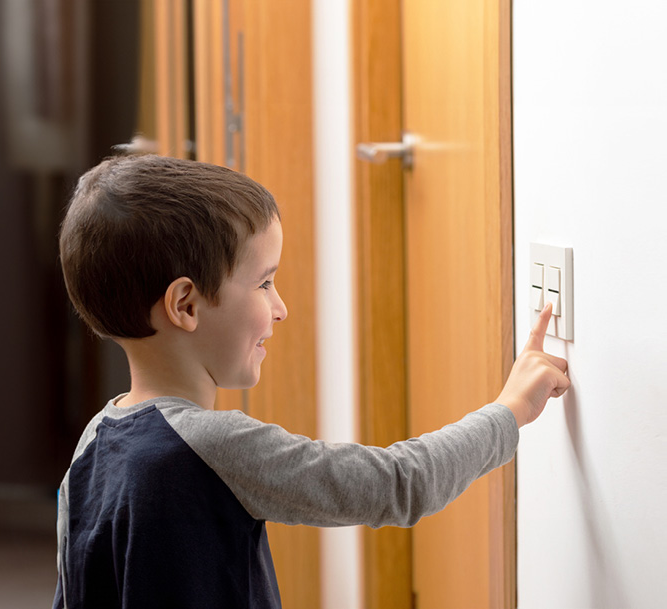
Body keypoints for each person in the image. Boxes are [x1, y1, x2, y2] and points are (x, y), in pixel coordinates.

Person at [53, 154, 569, 609]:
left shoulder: (91, 448)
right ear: (185, 304)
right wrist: (510, 411)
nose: (281, 308)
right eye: (264, 283)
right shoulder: (214, 448)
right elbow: (398, 483)